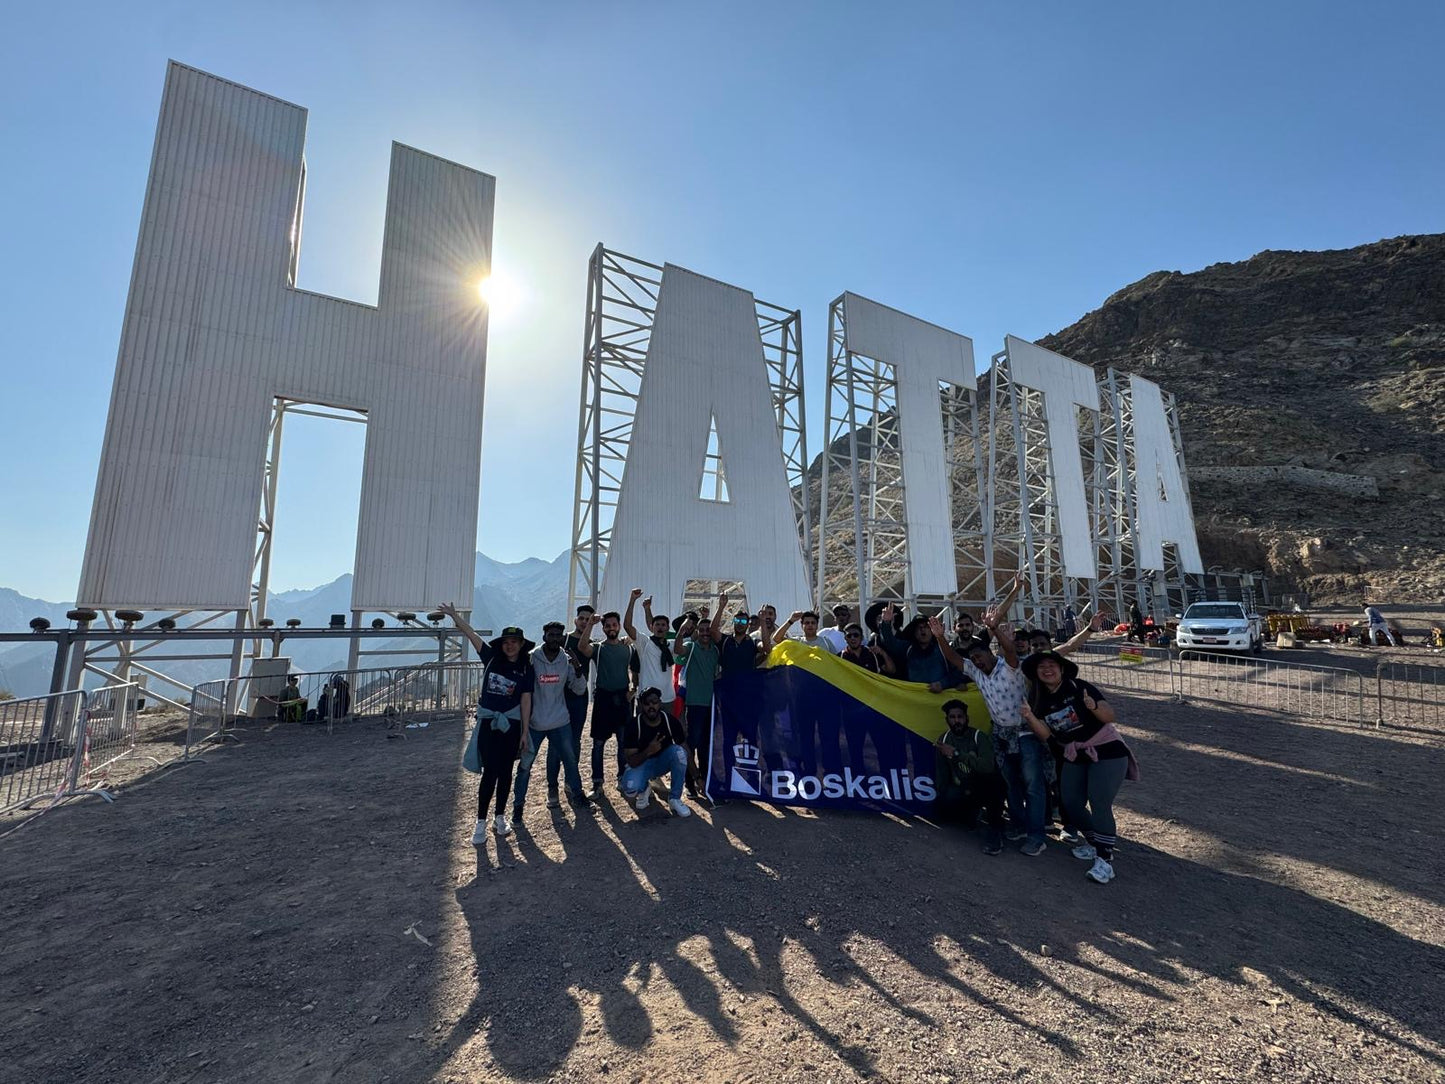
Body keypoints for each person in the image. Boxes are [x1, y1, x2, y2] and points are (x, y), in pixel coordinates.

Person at [1020, 650, 1139, 885]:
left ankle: (1105, 860)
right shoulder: (1039, 700)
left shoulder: (1079, 686)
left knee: (1099, 801)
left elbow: (1109, 716)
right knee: (1071, 802)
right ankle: (1097, 843)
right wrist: (1029, 716)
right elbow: (1046, 736)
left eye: (1052, 664)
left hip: (1105, 748)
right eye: (1041, 666)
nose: (1047, 669)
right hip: (1074, 752)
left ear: (1062, 669)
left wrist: (1092, 706)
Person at [931, 613, 1045, 856]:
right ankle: (1019, 825)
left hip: (1024, 733)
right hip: (1000, 734)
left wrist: (995, 628)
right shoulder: (975, 672)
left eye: (979, 656)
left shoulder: (1010, 667)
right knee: (1010, 784)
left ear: (990, 652)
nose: (977, 661)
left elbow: (1010, 650)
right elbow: (953, 658)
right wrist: (940, 638)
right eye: (973, 659)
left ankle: (1037, 836)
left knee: (1033, 785)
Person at [463, 623, 534, 842]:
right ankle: (481, 821)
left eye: (514, 642)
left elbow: (526, 700)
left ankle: (500, 817)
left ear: (521, 645)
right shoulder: (491, 658)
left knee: (505, 773)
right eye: (506, 642)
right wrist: (455, 616)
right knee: (490, 772)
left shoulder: (526, 668)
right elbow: (472, 635)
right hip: (489, 724)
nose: (510, 646)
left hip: (511, 727)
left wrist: (524, 731)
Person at [513, 622, 593, 817]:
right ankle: (518, 805)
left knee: (570, 760)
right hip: (535, 722)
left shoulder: (565, 661)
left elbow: (579, 688)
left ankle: (577, 794)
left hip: (560, 721)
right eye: (551, 635)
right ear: (544, 636)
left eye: (558, 635)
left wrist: (578, 668)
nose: (555, 638)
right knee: (525, 766)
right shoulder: (532, 658)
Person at [933, 699, 1006, 855]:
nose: (957, 721)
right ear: (947, 720)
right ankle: (971, 815)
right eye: (952, 717)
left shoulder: (978, 737)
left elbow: (987, 767)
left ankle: (994, 832)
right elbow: (942, 775)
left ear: (967, 718)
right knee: (942, 809)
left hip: (983, 787)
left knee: (993, 782)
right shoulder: (944, 740)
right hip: (962, 789)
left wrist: (957, 754)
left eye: (960, 717)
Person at [673, 595, 725, 803]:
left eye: (707, 630)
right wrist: (682, 630)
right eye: (701, 630)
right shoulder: (691, 647)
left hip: (711, 704)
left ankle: (705, 780)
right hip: (694, 704)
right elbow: (678, 650)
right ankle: (689, 783)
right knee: (691, 744)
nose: (705, 633)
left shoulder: (715, 651)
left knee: (705, 745)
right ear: (697, 633)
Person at [621, 687, 692, 818]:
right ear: (641, 705)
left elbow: (684, 747)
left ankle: (675, 798)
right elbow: (631, 760)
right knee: (630, 788)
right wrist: (649, 750)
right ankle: (644, 788)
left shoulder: (670, 721)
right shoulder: (633, 725)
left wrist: (697, 777)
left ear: (660, 703)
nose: (651, 706)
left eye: (654, 702)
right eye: (647, 703)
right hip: (642, 764)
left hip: (662, 762)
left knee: (680, 753)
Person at [585, 610, 634, 797]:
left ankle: (622, 778)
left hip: (623, 699)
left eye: (614, 624)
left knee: (623, 742)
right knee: (598, 743)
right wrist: (590, 624)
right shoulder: (598, 648)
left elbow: (637, 668)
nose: (611, 628)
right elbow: (582, 647)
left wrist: (634, 689)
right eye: (608, 625)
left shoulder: (628, 648)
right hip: (603, 699)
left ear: (619, 626)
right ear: (603, 628)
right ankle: (597, 783)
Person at [878, 603, 967, 692]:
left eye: (926, 627)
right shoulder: (908, 648)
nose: (922, 630)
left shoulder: (942, 649)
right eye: (918, 628)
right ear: (914, 632)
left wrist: (942, 684)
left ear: (932, 630)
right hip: (915, 699)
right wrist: (886, 623)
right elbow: (890, 643)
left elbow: (958, 673)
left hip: (941, 699)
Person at [623, 588, 678, 721]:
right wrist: (632, 600)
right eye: (657, 624)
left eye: (663, 625)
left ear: (667, 628)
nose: (660, 627)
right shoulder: (644, 643)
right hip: (646, 698)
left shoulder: (672, 644)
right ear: (651, 627)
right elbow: (628, 626)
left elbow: (690, 638)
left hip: (667, 698)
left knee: (666, 733)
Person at [559, 605, 600, 780]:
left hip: (579, 697)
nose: (584, 622)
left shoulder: (591, 645)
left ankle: (571, 778)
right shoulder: (563, 640)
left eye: (588, 619)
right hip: (559, 696)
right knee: (557, 740)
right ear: (576, 620)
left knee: (575, 739)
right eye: (582, 618)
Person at [720, 608, 766, 674]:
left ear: (747, 624)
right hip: (728, 682)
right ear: (733, 622)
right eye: (737, 621)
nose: (740, 623)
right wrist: (721, 606)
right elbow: (713, 631)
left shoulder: (753, 641)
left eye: (743, 621)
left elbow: (766, 648)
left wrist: (763, 622)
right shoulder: (725, 640)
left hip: (747, 682)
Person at [777, 610, 841, 654]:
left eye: (813, 623)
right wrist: (790, 621)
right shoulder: (796, 642)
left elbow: (837, 661)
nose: (810, 625)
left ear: (817, 625)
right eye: (807, 623)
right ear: (802, 626)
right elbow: (777, 639)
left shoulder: (826, 642)